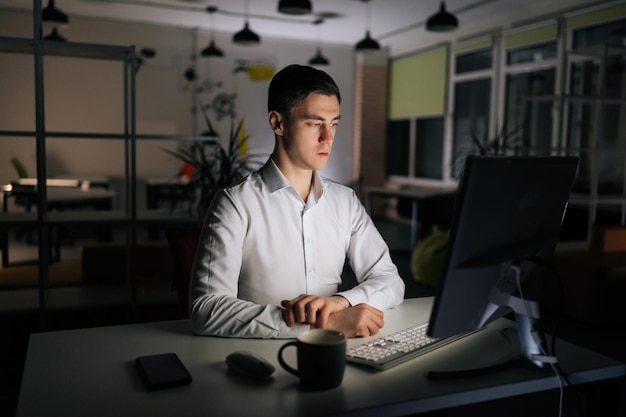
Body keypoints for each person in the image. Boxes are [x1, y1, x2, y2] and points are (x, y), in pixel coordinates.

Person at [189, 64, 404, 339]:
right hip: (258, 357)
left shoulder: (345, 201)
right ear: (278, 123)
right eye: (315, 123)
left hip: (337, 352)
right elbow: (207, 310)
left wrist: (341, 302)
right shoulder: (234, 203)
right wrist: (322, 325)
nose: (328, 137)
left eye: (334, 123)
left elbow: (391, 281)